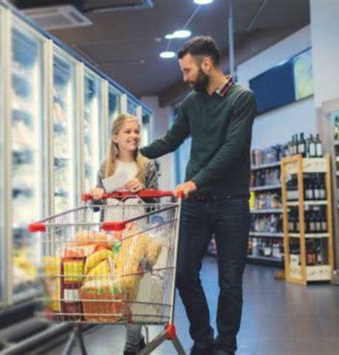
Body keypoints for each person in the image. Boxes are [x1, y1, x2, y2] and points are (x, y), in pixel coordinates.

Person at [140, 36, 257, 355]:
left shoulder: (241, 99)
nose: (185, 77)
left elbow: (233, 150)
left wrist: (195, 181)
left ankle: (226, 345)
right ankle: (203, 338)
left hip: (231, 203)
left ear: (207, 64)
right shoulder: (191, 103)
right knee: (182, 272)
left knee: (230, 282)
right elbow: (171, 140)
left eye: (188, 70)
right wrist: (131, 155)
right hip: (195, 206)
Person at [90, 113, 158, 355]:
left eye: (137, 131)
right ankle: (135, 340)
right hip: (111, 236)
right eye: (128, 132)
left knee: (136, 292)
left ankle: (130, 347)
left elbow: (155, 206)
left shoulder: (147, 165)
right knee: (118, 292)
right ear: (115, 137)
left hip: (137, 235)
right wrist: (97, 194)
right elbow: (95, 207)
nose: (134, 136)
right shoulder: (105, 167)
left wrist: (145, 190)